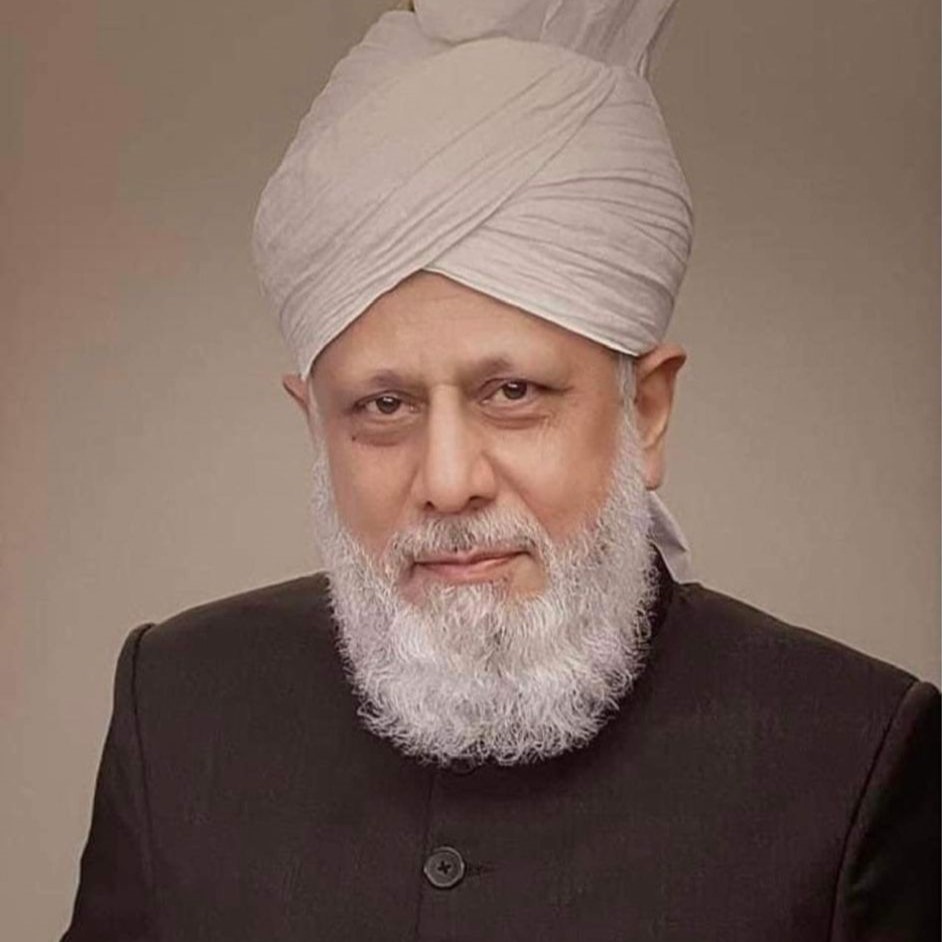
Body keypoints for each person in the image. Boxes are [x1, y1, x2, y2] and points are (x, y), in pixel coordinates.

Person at [62, 1, 939, 939]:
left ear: (645, 412)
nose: (448, 483)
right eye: (384, 407)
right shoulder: (179, 702)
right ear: (315, 426)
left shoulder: (856, 754)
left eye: (512, 392)